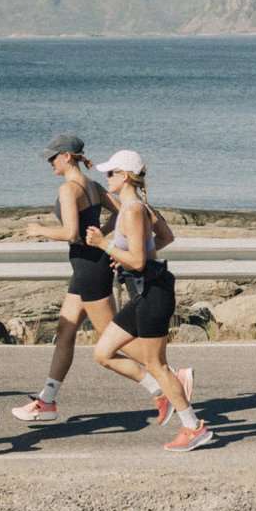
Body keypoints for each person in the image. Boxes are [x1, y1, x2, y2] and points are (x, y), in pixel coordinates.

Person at [12, 132, 155, 424]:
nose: (50, 163)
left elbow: (71, 233)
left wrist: (40, 230)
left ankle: (167, 377)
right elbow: (121, 210)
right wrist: (103, 233)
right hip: (86, 268)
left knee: (113, 340)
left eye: (53, 157)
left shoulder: (69, 189)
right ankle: (47, 401)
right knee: (65, 332)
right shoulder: (92, 185)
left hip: (90, 270)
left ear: (66, 157)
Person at [86, 150, 210, 452]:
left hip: (153, 292)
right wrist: (124, 258)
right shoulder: (139, 206)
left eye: (112, 173)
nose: (107, 178)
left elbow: (140, 261)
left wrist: (105, 245)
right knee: (103, 352)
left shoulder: (132, 210)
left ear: (126, 176)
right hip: (143, 291)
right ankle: (160, 390)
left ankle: (193, 427)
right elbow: (165, 237)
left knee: (156, 363)